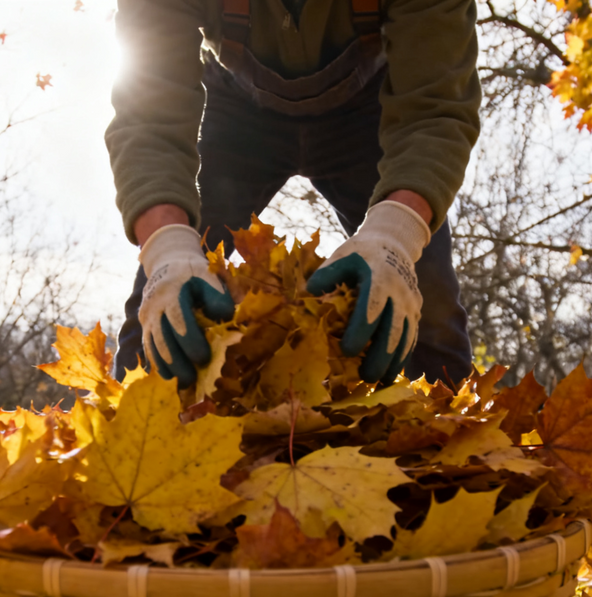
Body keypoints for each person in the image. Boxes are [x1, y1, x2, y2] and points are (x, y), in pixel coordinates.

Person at [107, 0, 480, 387]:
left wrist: (396, 236)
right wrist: (165, 248)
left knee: (429, 303)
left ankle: (456, 435)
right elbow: (147, 117)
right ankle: (135, 432)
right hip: (239, 118)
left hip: (370, 116)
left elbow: (436, 109)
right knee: (163, 305)